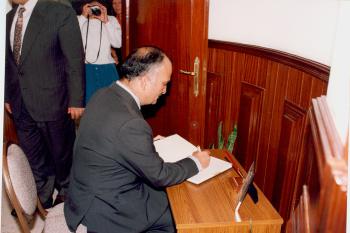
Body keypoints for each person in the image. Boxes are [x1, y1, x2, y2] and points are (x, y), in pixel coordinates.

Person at [64, 46, 211, 233]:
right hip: (106, 212)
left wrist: (143, 146)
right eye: (164, 84)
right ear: (144, 81)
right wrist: (196, 162)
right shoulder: (130, 123)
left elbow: (112, 141)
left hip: (85, 196)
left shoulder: (104, 94)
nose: (164, 91)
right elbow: (160, 175)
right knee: (181, 215)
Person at [5, 0, 85, 208]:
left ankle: (68, 192)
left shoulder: (60, 11)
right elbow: (9, 63)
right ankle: (41, 194)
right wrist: (7, 96)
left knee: (62, 154)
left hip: (54, 99)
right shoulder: (9, 17)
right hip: (19, 102)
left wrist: (76, 99)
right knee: (34, 154)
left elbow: (74, 59)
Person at [78, 0, 122, 104]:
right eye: (92, 7)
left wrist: (106, 21)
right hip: (86, 68)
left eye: (98, 7)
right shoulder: (80, 20)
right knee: (89, 105)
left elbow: (117, 43)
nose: (95, 10)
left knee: (112, 104)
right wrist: (83, 16)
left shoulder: (111, 19)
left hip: (107, 67)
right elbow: (72, 39)